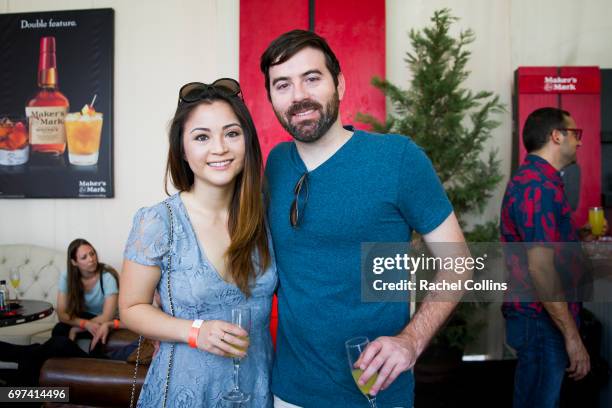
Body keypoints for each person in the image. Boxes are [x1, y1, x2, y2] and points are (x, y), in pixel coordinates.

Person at [260, 30, 467, 407]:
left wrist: (411, 341)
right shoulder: (274, 166)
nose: (299, 96)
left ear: (338, 83)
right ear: (271, 97)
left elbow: (459, 264)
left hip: (376, 394)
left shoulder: (398, 159)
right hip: (289, 392)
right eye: (282, 85)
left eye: (311, 78)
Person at [119, 79, 277, 407]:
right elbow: (132, 308)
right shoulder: (158, 222)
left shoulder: (266, 217)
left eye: (231, 133)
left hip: (256, 388)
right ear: (182, 148)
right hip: (183, 392)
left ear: (247, 140)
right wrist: (195, 331)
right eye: (202, 137)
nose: (219, 148)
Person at [500, 107, 591, 408]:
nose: (579, 142)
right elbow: (540, 269)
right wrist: (573, 336)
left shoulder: (541, 182)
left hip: (540, 319)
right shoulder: (537, 187)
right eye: (574, 134)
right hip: (540, 321)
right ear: (556, 136)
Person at [0, 238, 129, 385]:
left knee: (59, 344)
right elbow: (62, 314)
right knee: (60, 330)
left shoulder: (107, 276)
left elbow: (107, 316)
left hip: (104, 322)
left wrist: (77, 329)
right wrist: (83, 324)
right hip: (84, 320)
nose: (91, 259)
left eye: (92, 254)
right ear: (74, 262)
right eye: (84, 257)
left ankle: (19, 366)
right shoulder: (67, 276)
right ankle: (25, 378)